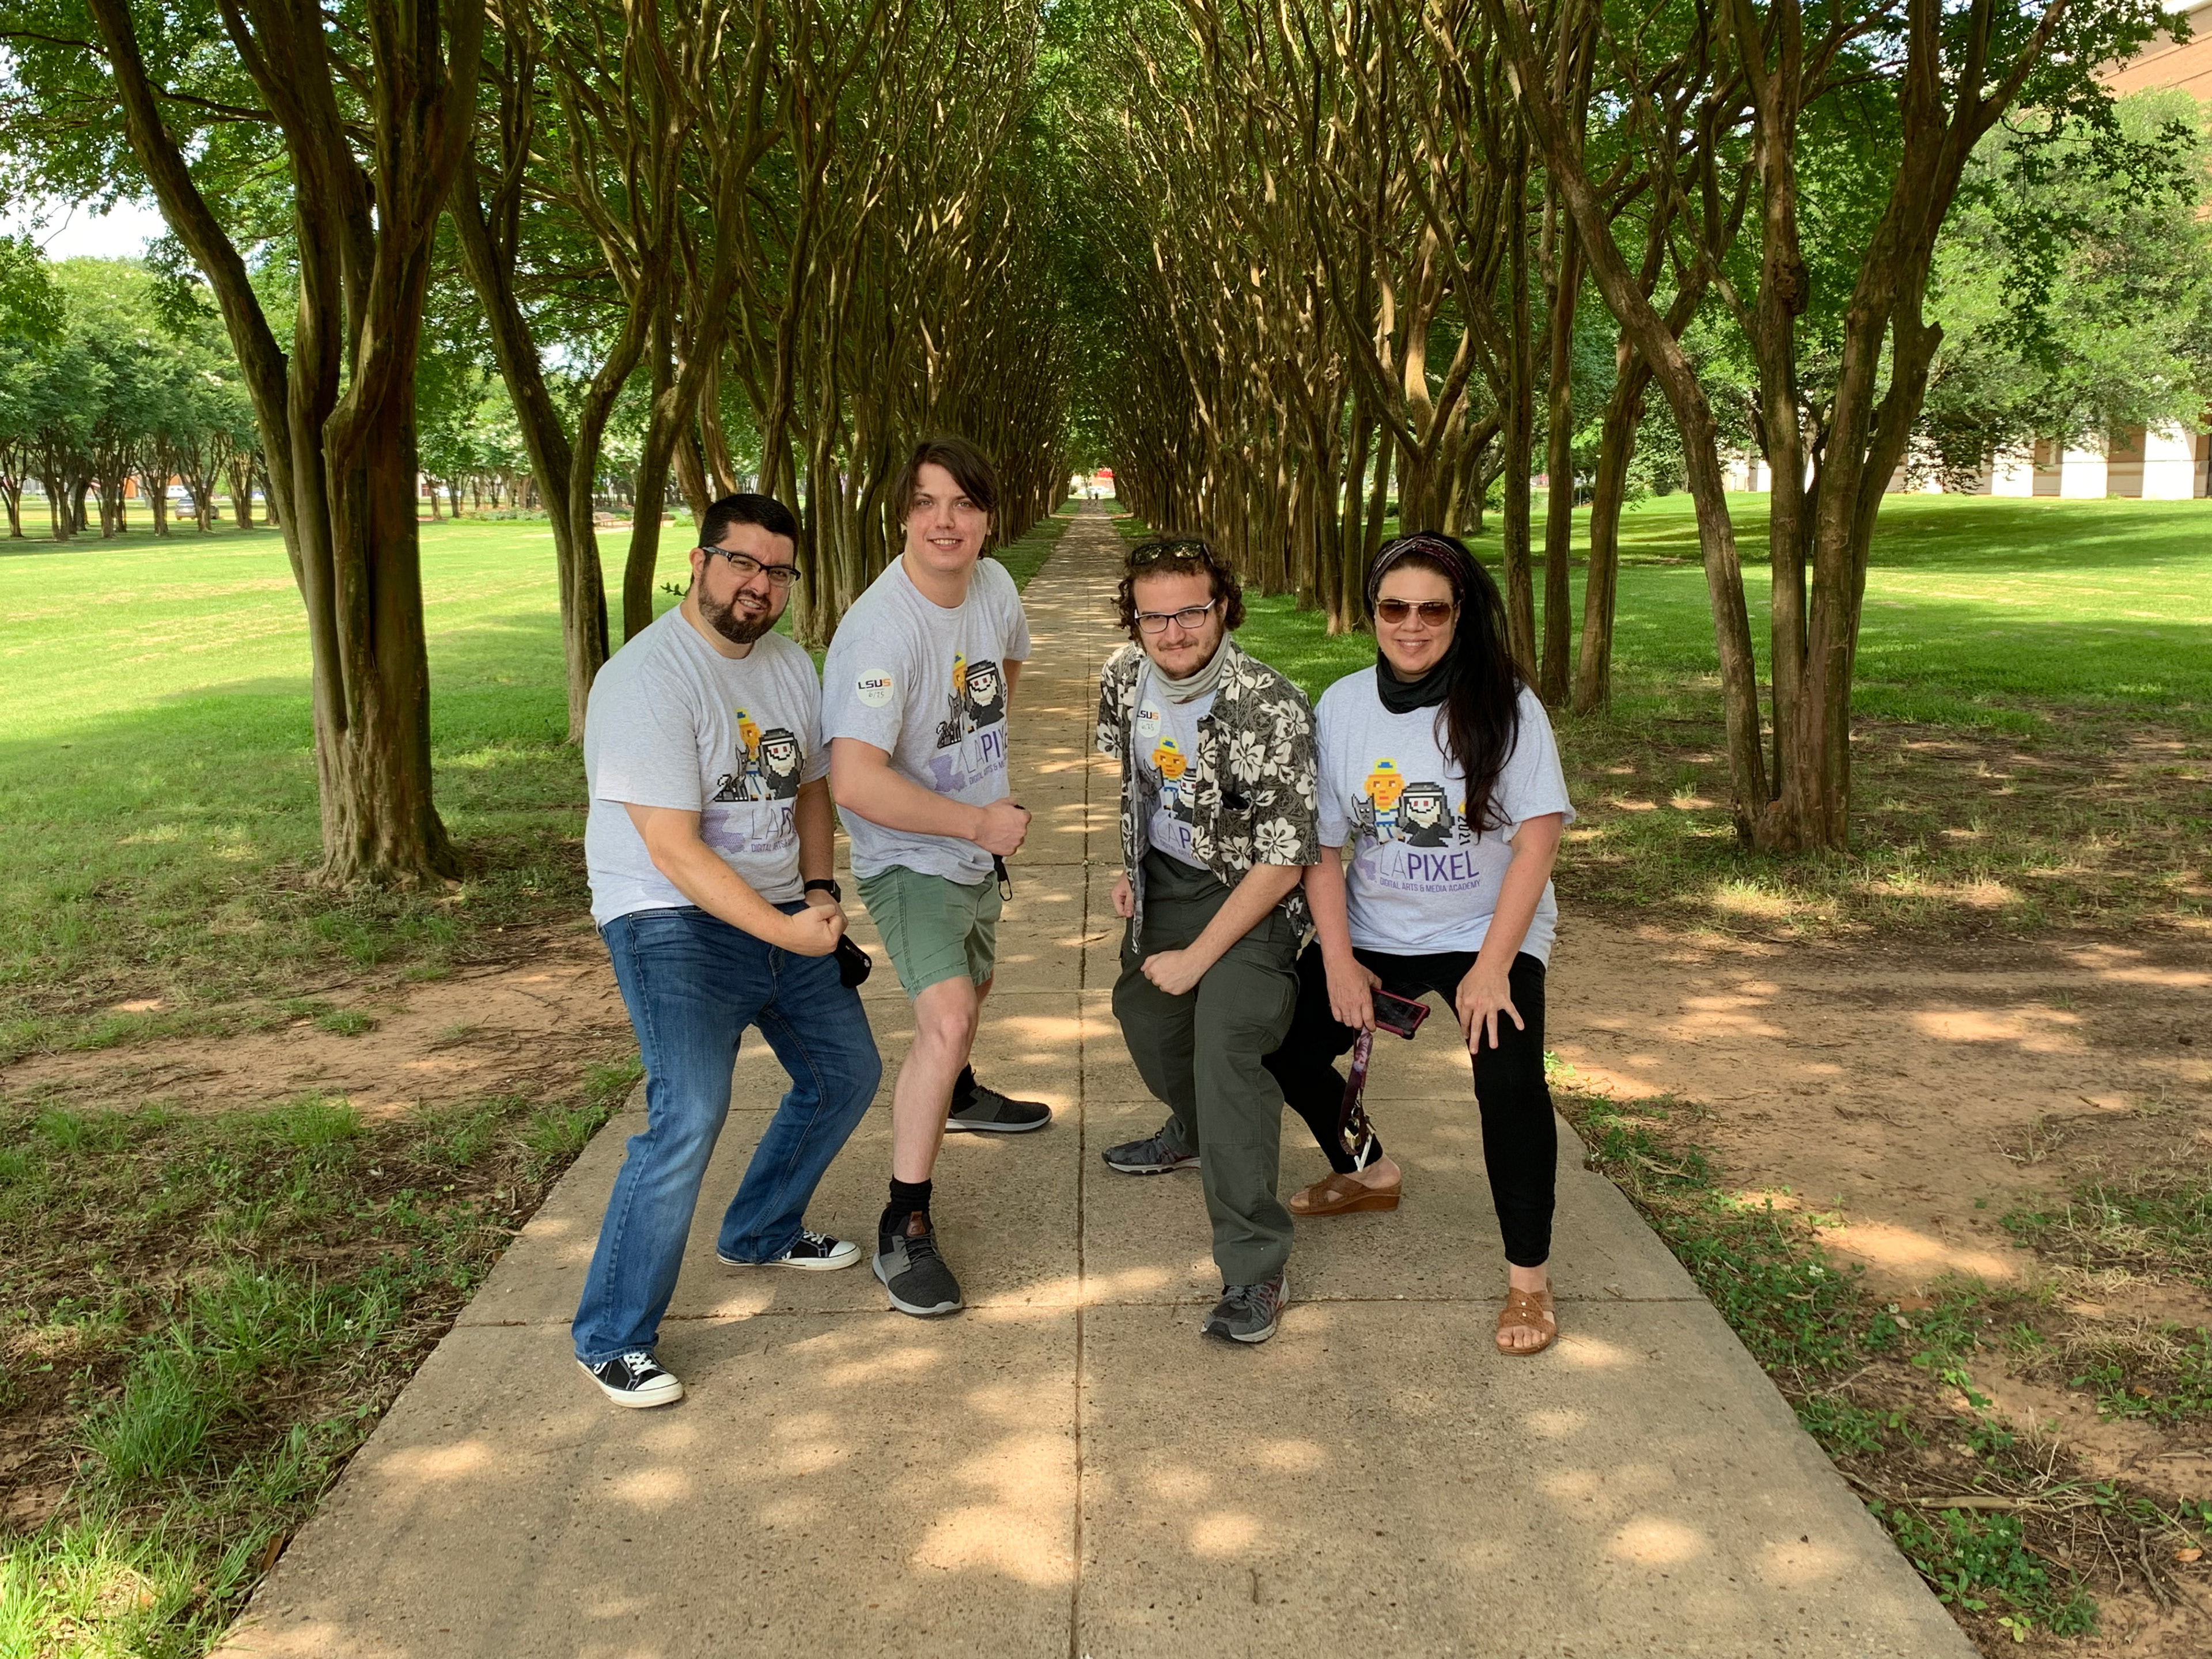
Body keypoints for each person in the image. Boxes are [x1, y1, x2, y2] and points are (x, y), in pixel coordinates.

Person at [572, 493, 881, 1408]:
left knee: (846, 1072)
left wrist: (819, 894)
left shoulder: (789, 667)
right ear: (699, 563)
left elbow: (813, 794)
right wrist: (785, 927)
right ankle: (610, 1337)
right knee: (690, 1113)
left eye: (778, 571)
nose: (759, 585)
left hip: (785, 905)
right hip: (668, 917)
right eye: (742, 563)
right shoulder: (645, 679)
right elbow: (673, 847)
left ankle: (759, 1229)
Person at [1262, 532, 1573, 1356]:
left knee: (1507, 1084)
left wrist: (1493, 970)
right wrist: (1338, 958)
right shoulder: (1343, 707)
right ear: (1370, 614)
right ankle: (1368, 1169)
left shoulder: (1507, 702)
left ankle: (1529, 1284)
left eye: (1431, 608)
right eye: (1393, 607)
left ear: (1459, 612)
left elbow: (1537, 842)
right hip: (1377, 925)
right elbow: (1323, 847)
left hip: (1488, 930)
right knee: (1287, 1049)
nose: (1411, 624)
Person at [823, 435, 1048, 1320]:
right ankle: (903, 1224)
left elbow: (1007, 668)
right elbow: (855, 780)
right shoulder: (882, 631)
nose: (943, 521)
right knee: (946, 1016)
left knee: (978, 981)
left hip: (977, 842)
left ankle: (958, 1095)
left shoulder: (992, 586)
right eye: (925, 503)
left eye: (962, 503)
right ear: (903, 515)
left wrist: (981, 781)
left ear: (989, 517)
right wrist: (974, 818)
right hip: (908, 853)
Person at [1094, 538, 1320, 1344]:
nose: (1173, 631)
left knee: (1226, 1048)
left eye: (1190, 610)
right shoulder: (1123, 677)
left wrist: (1198, 958)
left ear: (1222, 605)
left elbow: (1286, 857)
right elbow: (1135, 778)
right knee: (1145, 1021)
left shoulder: (1272, 704)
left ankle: (1255, 1268)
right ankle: (1191, 1130)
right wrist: (1134, 868)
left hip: (1252, 896)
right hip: (1169, 884)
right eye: (1153, 615)